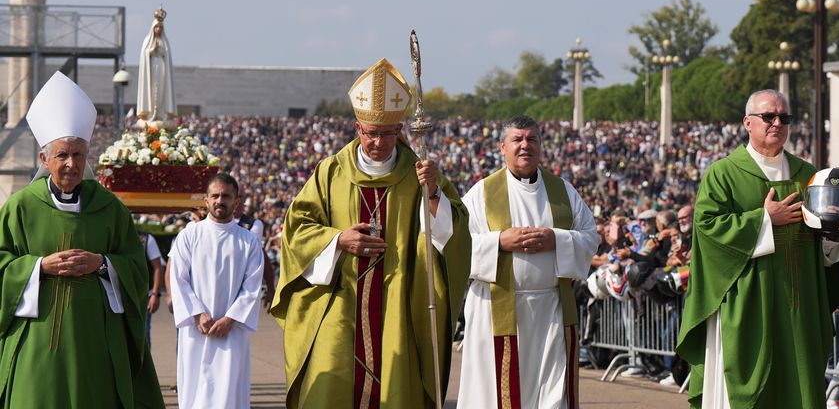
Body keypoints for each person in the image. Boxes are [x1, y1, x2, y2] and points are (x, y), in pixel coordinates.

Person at [270, 58, 470, 408]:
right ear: (357, 128)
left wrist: (434, 193)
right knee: (330, 384)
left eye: (387, 134)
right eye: (371, 133)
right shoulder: (330, 172)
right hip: (339, 303)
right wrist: (337, 240)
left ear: (400, 131)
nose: (378, 142)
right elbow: (297, 229)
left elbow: (452, 237)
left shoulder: (419, 174)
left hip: (398, 307)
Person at [676, 89, 839, 409]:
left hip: (799, 306)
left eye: (784, 117)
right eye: (768, 116)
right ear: (747, 122)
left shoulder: (809, 176)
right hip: (746, 304)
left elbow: (826, 251)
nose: (777, 123)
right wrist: (764, 220)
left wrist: (836, 236)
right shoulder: (724, 173)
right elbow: (708, 230)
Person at [0, 71, 163, 407]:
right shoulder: (20, 207)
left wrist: (102, 263)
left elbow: (136, 265)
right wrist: (37, 267)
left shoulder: (110, 208)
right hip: (35, 343)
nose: (71, 164)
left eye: (78, 154)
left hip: (96, 344)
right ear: (44, 159)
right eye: (62, 155)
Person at [458, 115, 599, 408]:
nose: (525, 146)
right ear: (502, 147)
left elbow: (590, 237)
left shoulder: (563, 191)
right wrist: (499, 242)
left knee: (552, 394)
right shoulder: (481, 193)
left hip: (552, 310)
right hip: (496, 311)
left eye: (531, 139)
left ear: (541, 146)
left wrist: (556, 239)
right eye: (517, 140)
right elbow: (457, 247)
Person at [169, 173, 264, 409]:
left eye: (226, 196)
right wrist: (197, 313)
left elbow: (252, 286)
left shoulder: (248, 241)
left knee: (228, 389)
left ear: (236, 200)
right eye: (215, 196)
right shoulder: (189, 235)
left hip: (232, 331)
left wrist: (230, 319)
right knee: (194, 386)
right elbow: (178, 278)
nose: (220, 201)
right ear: (206, 200)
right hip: (196, 328)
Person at [136, 5, 177, 125]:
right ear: (153, 28)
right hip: (151, 69)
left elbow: (167, 56)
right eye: (157, 27)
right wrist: (151, 50)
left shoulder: (165, 41)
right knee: (152, 90)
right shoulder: (147, 40)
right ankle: (150, 113)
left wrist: (161, 52)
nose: (158, 29)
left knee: (161, 91)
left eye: (160, 27)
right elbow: (144, 55)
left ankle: (161, 112)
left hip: (162, 69)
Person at [141, 228, 163, 347]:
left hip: (144, 297)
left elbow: (158, 268)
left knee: (143, 335)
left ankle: (145, 365)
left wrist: (155, 294)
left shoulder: (146, 239)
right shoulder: (115, 235)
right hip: (119, 295)